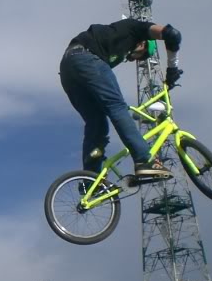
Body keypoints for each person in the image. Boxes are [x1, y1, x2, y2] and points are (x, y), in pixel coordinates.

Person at [59, 17, 183, 179]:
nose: (133, 59)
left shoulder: (114, 49)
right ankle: (143, 160)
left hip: (68, 69)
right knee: (117, 106)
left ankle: (90, 180)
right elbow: (172, 34)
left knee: (97, 124)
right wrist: (172, 68)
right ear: (143, 43)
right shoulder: (136, 27)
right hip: (85, 57)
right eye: (140, 56)